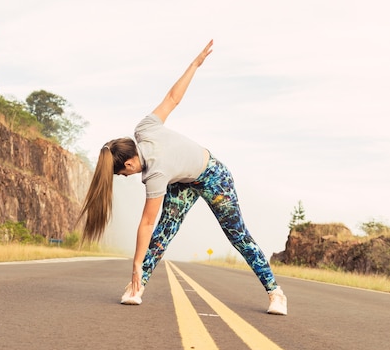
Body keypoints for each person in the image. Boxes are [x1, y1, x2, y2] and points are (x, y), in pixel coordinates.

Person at [78, 40, 287, 315]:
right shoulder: (143, 129)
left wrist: (136, 263)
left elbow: (146, 223)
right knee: (164, 233)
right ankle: (136, 288)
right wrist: (194, 64)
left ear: (129, 162)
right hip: (182, 183)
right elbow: (172, 99)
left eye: (122, 173)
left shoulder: (155, 172)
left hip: (214, 176)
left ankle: (276, 294)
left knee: (238, 236)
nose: (125, 176)